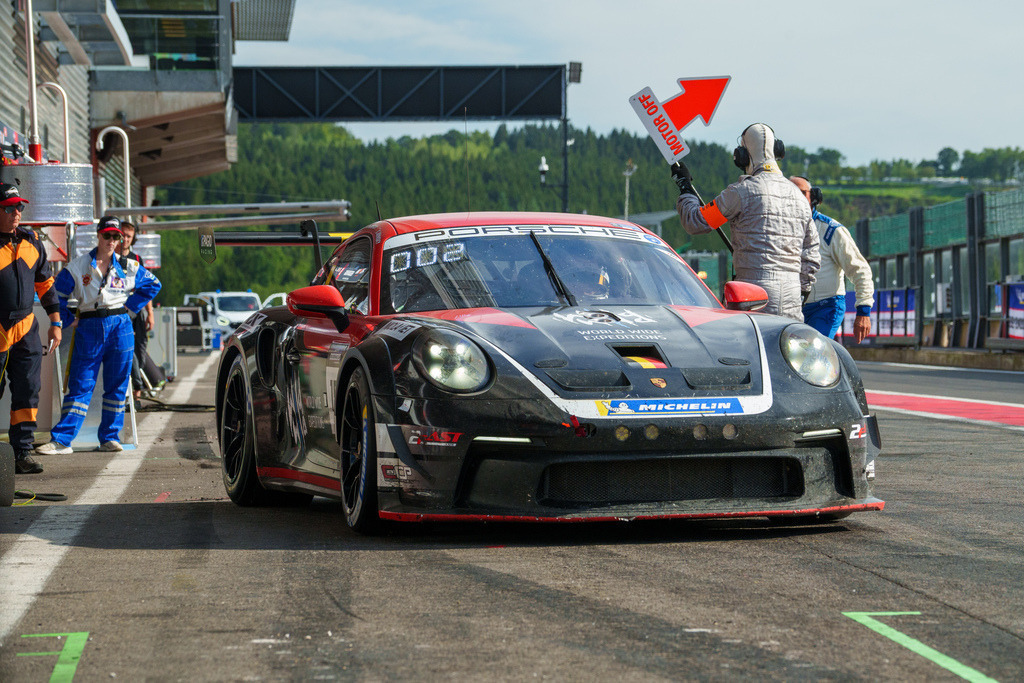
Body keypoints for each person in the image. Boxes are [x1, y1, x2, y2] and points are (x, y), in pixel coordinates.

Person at [36, 216, 161, 454]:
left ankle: (109, 437)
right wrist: (69, 319)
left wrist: (131, 307)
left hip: (120, 326)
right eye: (108, 235)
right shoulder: (79, 266)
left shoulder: (127, 265)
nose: (113, 240)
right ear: (98, 235)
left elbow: (153, 284)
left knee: (117, 383)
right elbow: (54, 295)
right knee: (81, 384)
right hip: (89, 326)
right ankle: (62, 440)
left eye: (117, 236)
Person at [673, 123, 819, 321]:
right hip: (792, 298)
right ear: (777, 152)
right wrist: (800, 290)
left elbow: (696, 222)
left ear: (742, 156)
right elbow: (811, 255)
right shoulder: (800, 198)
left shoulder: (741, 192)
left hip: (751, 296)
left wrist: (686, 188)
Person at [0, 183, 60, 474]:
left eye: (19, 207)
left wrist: (56, 322)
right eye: (9, 208)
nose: (16, 213)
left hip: (26, 329)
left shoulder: (31, 242)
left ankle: (22, 452)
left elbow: (46, 284)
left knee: (28, 391)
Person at [790, 176, 874, 342]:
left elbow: (860, 269)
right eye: (789, 193)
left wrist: (863, 311)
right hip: (791, 308)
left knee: (811, 354)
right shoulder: (777, 231)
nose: (795, 198)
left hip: (825, 307)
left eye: (801, 193)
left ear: (813, 197)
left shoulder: (831, 231)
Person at [117, 221, 155, 397]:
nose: (124, 239)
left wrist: (150, 314)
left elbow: (147, 288)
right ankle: (136, 388)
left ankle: (136, 387)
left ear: (133, 239)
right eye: (122, 235)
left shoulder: (136, 259)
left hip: (136, 309)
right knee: (126, 348)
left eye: (128, 236)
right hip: (118, 309)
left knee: (140, 347)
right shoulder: (110, 257)